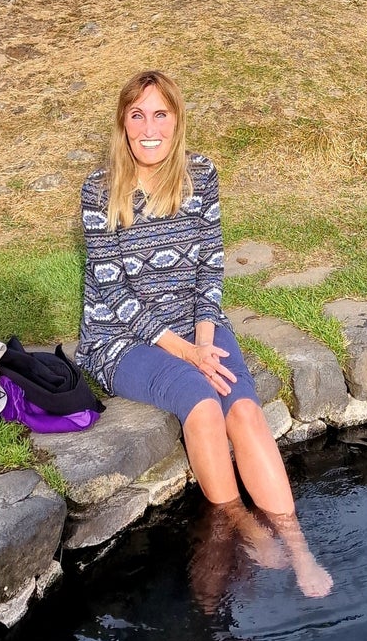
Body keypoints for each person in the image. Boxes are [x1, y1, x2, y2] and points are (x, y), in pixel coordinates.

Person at [76, 69, 333, 600]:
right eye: (138, 115)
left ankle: (300, 547)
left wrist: (204, 336)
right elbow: (116, 294)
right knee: (201, 400)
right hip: (120, 337)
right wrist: (189, 354)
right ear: (123, 124)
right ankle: (240, 523)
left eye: (160, 114)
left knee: (243, 408)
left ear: (177, 120)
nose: (150, 128)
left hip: (194, 324)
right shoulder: (100, 191)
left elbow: (210, 269)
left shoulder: (200, 175)